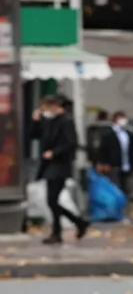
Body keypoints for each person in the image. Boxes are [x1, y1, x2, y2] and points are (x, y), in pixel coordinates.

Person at [32, 95, 88, 244]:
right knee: (52, 201)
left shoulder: (66, 121)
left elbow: (71, 142)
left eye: (46, 107)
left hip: (60, 165)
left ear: (55, 106)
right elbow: (35, 136)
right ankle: (76, 223)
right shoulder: (49, 122)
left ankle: (60, 231)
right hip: (49, 165)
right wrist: (36, 122)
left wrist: (54, 152)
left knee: (52, 200)